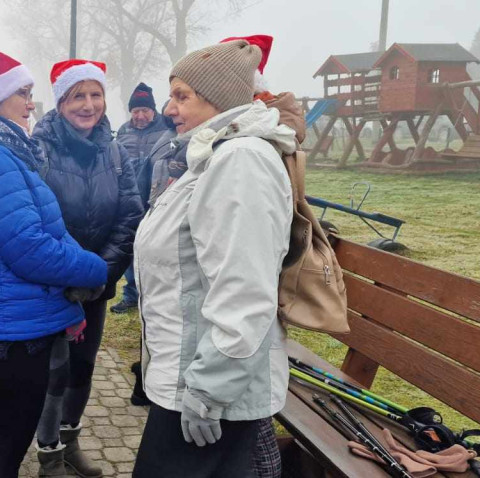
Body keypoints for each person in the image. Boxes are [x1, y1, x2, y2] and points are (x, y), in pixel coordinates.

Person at [0, 45, 108, 477]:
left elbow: (48, 230)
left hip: (14, 319)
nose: (32, 103)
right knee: (8, 439)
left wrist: (69, 303)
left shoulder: (3, 151)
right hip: (8, 330)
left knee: (6, 434)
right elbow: (30, 249)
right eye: (23, 93)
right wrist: (95, 269)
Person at [132, 38, 295, 477]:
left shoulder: (240, 161)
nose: (169, 107)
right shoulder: (216, 155)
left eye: (182, 95)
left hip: (206, 392)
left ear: (219, 99)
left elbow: (244, 289)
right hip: (187, 379)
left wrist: (209, 392)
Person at [31, 59, 144, 477]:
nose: (89, 104)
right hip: (50, 288)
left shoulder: (115, 151)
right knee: (53, 372)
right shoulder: (37, 149)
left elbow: (131, 216)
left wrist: (100, 273)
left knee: (83, 367)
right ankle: (48, 456)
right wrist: (70, 273)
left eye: (95, 94)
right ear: (61, 101)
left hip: (96, 287)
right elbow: (34, 222)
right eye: (78, 95)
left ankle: (70, 442)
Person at [110, 82, 175, 314]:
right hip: (131, 199)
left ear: (153, 110)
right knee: (130, 247)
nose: (139, 116)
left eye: (144, 111)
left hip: (158, 199)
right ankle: (131, 295)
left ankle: (155, 298)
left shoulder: (167, 130)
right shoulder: (123, 132)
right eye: (135, 111)